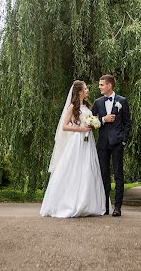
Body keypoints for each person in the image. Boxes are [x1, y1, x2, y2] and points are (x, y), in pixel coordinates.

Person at [40, 80, 106, 218]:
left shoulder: (88, 106)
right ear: (80, 91)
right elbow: (64, 126)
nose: (88, 90)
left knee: (88, 168)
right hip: (77, 141)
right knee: (74, 169)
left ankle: (89, 204)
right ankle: (69, 203)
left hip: (88, 142)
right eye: (86, 88)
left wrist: (94, 124)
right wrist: (81, 128)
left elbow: (93, 120)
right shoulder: (72, 107)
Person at [91, 74, 131, 217]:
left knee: (118, 175)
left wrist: (124, 139)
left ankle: (118, 207)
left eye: (101, 85)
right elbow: (91, 121)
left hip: (117, 143)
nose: (99, 87)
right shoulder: (97, 102)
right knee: (104, 175)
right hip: (102, 144)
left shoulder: (122, 101)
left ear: (109, 85)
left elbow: (127, 123)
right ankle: (105, 206)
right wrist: (104, 119)